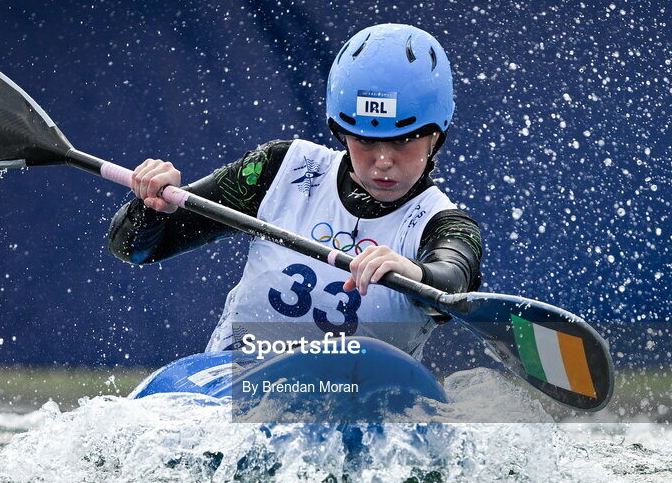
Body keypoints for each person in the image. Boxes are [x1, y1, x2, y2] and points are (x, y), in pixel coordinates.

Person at [109, 23, 482, 359]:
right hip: (233, 394)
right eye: (365, 141)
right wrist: (151, 208)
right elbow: (135, 250)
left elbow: (453, 280)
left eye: (402, 141)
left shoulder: (444, 225)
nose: (382, 160)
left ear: (435, 136)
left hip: (355, 411)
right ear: (341, 132)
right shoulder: (280, 169)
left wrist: (414, 273)